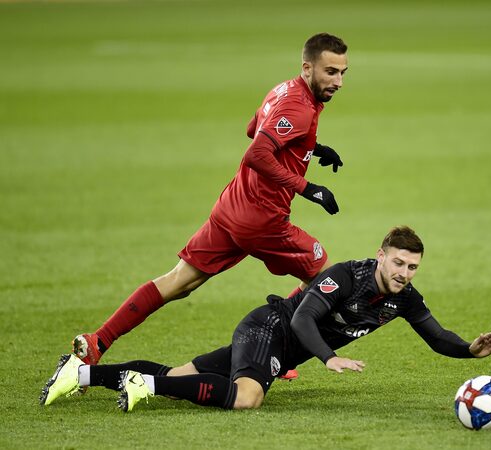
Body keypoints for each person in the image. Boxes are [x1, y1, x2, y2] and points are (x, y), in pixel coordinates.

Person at [70, 33, 350, 372]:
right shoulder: (300, 107)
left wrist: (312, 148)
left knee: (180, 281)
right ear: (307, 68)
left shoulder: (283, 90)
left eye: (342, 73)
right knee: (325, 278)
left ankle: (98, 341)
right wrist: (308, 188)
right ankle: (271, 351)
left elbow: (254, 128)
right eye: (330, 72)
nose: (338, 81)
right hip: (263, 220)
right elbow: (257, 153)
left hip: (231, 207)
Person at [41, 226, 491, 411]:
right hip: (268, 328)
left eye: (412, 267)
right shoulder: (346, 277)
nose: (404, 273)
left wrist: (467, 350)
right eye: (398, 262)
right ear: (381, 255)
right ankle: (145, 386)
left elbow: (436, 336)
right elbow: (302, 320)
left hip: (278, 348)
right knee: (247, 397)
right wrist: (328, 357)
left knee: (180, 375)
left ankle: (79, 373)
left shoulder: (404, 298)